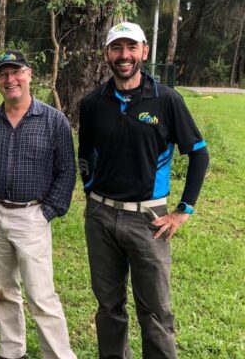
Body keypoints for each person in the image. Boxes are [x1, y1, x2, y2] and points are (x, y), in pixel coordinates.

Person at [78, 22, 210, 358]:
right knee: (108, 307)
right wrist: (91, 196)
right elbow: (85, 155)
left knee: (154, 311)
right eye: (117, 48)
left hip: (149, 219)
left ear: (144, 52)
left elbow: (198, 153)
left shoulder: (166, 100)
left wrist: (183, 211)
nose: (124, 56)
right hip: (101, 217)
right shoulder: (93, 103)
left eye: (131, 48)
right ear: (106, 54)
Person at [0, 50, 78, 359]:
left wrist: (48, 212)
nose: (10, 79)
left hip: (32, 215)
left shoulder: (53, 120)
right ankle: (12, 351)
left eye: (16, 72)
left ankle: (58, 355)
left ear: (29, 74)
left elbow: (67, 170)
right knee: (1, 292)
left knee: (41, 295)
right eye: (3, 74)